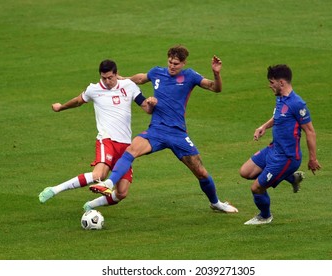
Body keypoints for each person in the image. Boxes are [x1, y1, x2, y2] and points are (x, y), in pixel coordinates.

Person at [89, 45, 238, 213]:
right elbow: (141, 78)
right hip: (156, 130)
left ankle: (216, 202)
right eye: (170, 62)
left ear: (183, 63)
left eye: (176, 63)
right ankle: (108, 184)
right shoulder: (157, 72)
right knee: (131, 150)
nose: (172, 66)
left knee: (201, 172)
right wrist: (123, 79)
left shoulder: (190, 76)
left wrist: (216, 73)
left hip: (177, 134)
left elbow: (215, 88)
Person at [38, 59, 157, 211]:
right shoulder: (93, 89)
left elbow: (146, 108)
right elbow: (78, 101)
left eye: (110, 78)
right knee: (98, 175)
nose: (107, 81)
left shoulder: (129, 86)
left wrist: (152, 104)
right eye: (103, 78)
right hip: (106, 140)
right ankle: (54, 189)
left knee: (121, 193)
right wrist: (61, 107)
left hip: (126, 147)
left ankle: (90, 205)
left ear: (116, 74)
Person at [239, 64, 321, 225]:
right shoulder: (280, 98)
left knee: (256, 188)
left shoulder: (297, 104)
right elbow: (278, 117)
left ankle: (265, 216)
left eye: (271, 82)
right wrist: (263, 126)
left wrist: (313, 159)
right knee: (245, 172)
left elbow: (310, 131)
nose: (269, 86)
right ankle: (291, 178)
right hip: (273, 149)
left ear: (281, 82)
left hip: (287, 157)